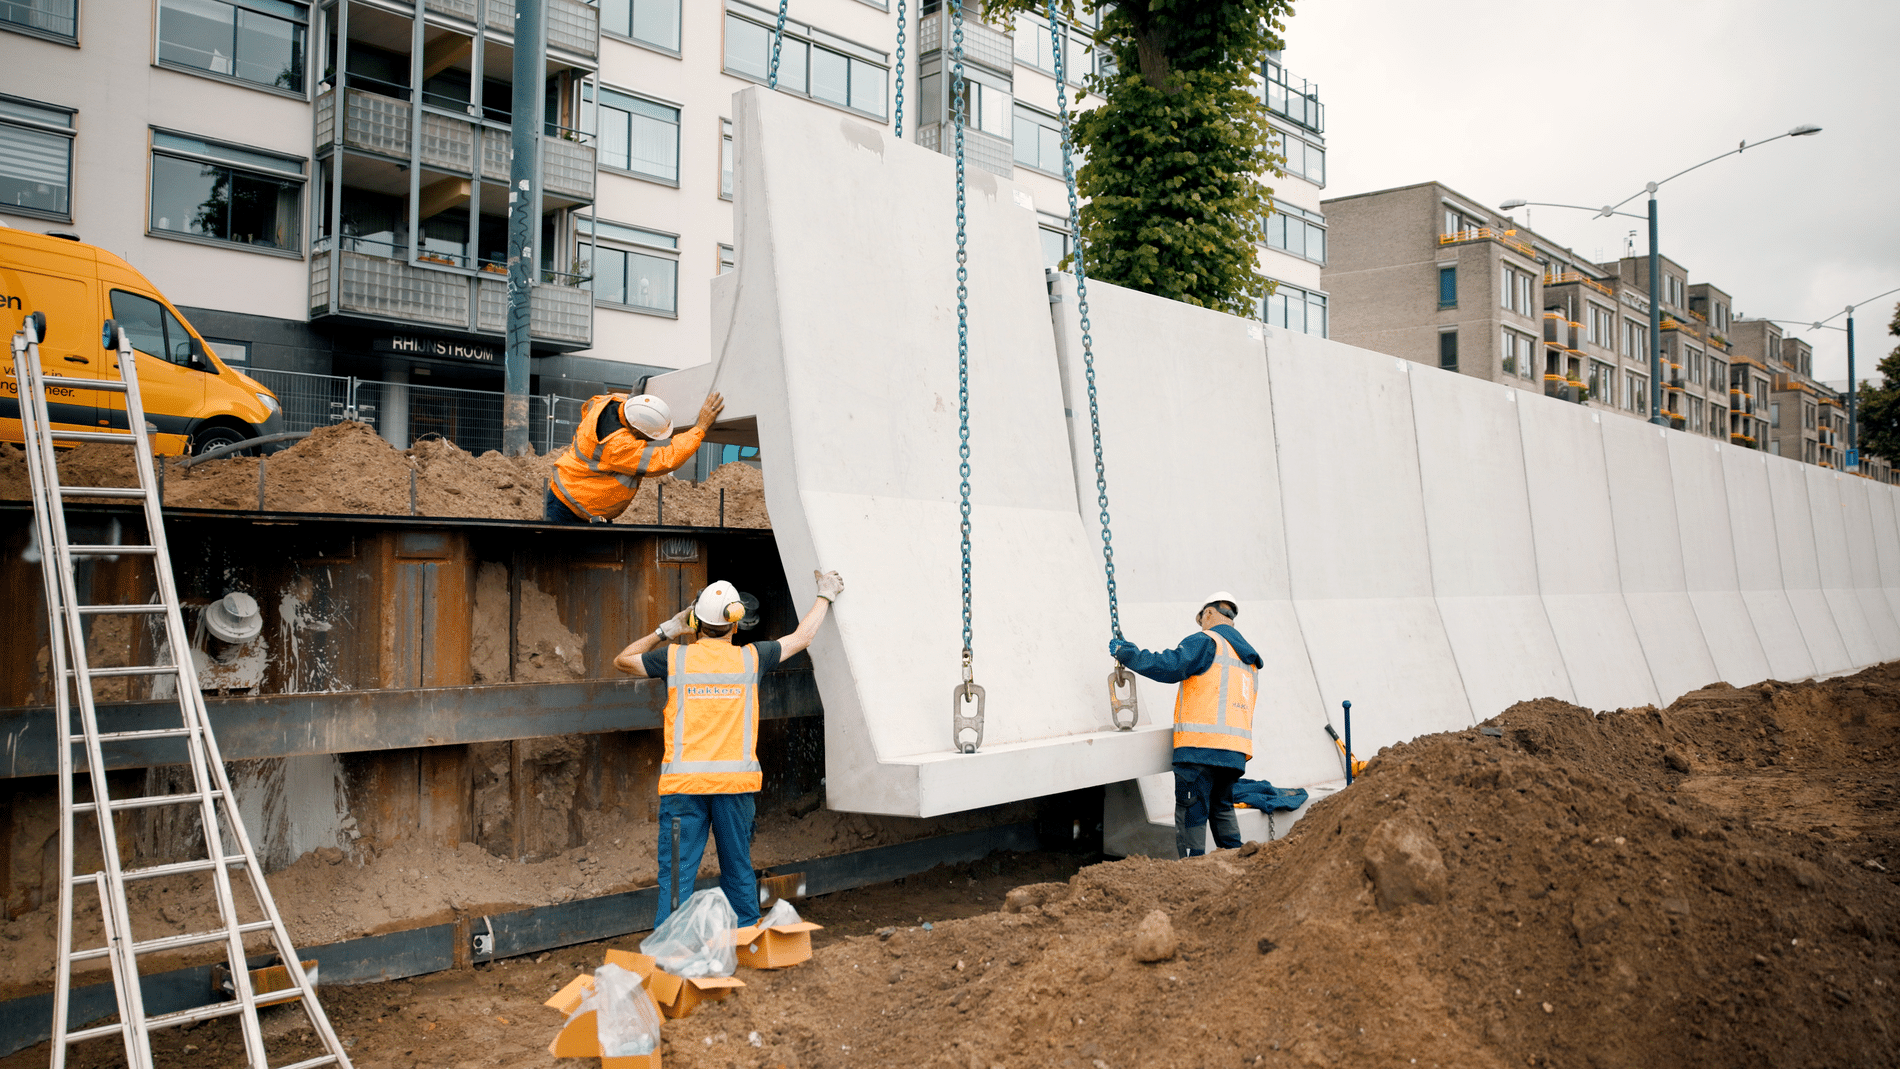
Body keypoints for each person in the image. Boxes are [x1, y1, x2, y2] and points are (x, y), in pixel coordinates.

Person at [613, 570, 845, 927]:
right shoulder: (753, 658)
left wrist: (667, 630)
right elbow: (803, 637)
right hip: (734, 789)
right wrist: (825, 594)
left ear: (695, 623)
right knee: (738, 870)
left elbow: (623, 659)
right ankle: (747, 941)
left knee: (676, 879)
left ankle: (671, 951)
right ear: (736, 623)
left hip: (684, 790)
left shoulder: (674, 658)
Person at [1109, 591, 1264, 859]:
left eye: (1201, 620)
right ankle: (1239, 866)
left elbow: (1170, 665)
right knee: (1222, 808)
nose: (1202, 626)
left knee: (1192, 812)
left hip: (1199, 750)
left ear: (1209, 613)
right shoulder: (1247, 659)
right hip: (1234, 754)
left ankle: (1192, 871)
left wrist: (1128, 654)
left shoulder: (1207, 641)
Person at [544, 390, 726, 524]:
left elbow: (600, 402)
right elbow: (665, 459)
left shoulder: (614, 401)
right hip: (569, 506)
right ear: (636, 430)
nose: (649, 442)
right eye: (649, 437)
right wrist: (700, 428)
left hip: (575, 496)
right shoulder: (618, 447)